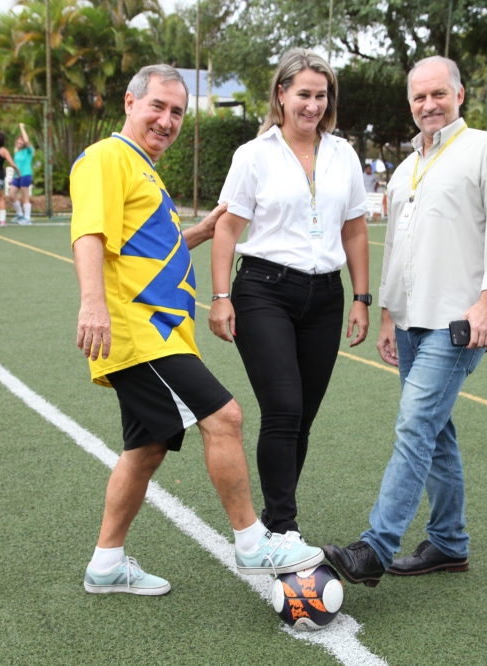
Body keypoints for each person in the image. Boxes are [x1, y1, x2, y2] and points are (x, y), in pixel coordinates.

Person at [70, 63, 325, 596]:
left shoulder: (143, 169)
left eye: (177, 112)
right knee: (224, 416)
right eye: (157, 107)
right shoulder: (107, 157)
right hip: (140, 331)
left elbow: (144, 248)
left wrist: (199, 233)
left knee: (147, 448)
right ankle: (253, 541)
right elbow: (90, 233)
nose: (166, 120)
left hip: (160, 330)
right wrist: (91, 304)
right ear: (130, 103)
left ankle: (106, 564)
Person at [323, 55, 487, 587]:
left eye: (438, 94)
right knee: (434, 431)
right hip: (410, 321)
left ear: (460, 94)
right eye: (419, 97)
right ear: (410, 103)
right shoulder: (406, 169)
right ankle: (449, 543)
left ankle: (375, 547)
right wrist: (388, 315)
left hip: (458, 321)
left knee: (415, 424)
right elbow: (397, 248)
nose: (429, 104)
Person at [209, 48, 370, 543]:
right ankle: (283, 528)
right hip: (264, 292)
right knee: (283, 407)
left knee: (303, 418)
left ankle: (277, 518)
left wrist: (362, 297)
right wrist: (220, 296)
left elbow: (355, 229)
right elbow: (227, 228)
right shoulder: (253, 155)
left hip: (326, 297)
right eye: (303, 94)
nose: (313, 105)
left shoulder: (343, 154)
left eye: (322, 96)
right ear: (281, 95)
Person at [9, 123, 34, 225]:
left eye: (21, 140)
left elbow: (27, 141)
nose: (19, 141)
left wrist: (22, 128)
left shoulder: (28, 151)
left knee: (25, 197)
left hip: (26, 175)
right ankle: (20, 214)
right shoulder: (17, 153)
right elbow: (15, 166)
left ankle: (27, 218)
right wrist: (12, 177)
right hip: (17, 177)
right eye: (18, 140)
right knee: (11, 195)